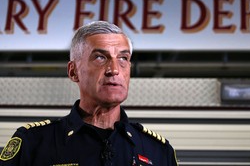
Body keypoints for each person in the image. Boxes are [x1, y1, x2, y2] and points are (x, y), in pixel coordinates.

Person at [0, 21, 178, 166]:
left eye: (123, 58)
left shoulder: (159, 152)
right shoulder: (33, 143)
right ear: (73, 71)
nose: (114, 70)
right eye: (100, 57)